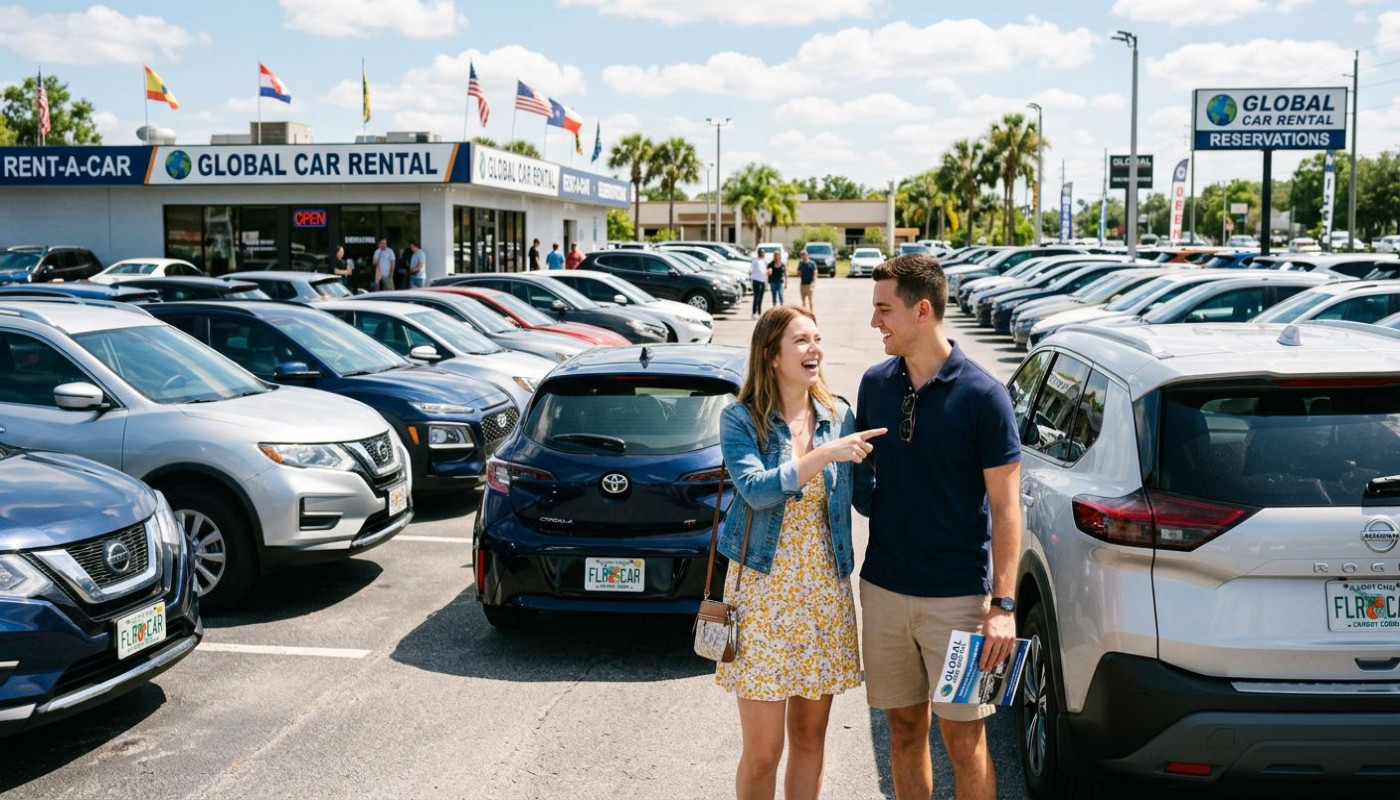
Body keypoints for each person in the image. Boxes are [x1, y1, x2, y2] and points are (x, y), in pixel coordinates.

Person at [852, 254, 1022, 800]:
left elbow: (1007, 509)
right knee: (903, 731)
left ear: (922, 310)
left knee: (963, 737)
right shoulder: (875, 385)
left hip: (957, 601)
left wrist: (1004, 607)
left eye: (883, 309)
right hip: (883, 591)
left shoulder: (984, 396)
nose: (875, 321)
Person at [717, 305, 887, 800]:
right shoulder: (741, 419)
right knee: (764, 750)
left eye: (817, 338)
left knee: (810, 738)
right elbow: (756, 489)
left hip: (823, 594)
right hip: (764, 597)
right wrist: (825, 454)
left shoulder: (839, 415)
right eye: (801, 340)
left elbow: (867, 496)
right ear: (771, 354)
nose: (815, 349)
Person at [749, 251, 767, 318]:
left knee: (761, 298)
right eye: (761, 253)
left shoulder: (763, 261)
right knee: (756, 297)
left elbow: (764, 271)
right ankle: (754, 313)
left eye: (763, 253)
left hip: (762, 281)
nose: (762, 254)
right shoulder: (755, 261)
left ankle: (759, 312)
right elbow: (752, 270)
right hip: (756, 281)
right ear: (759, 254)